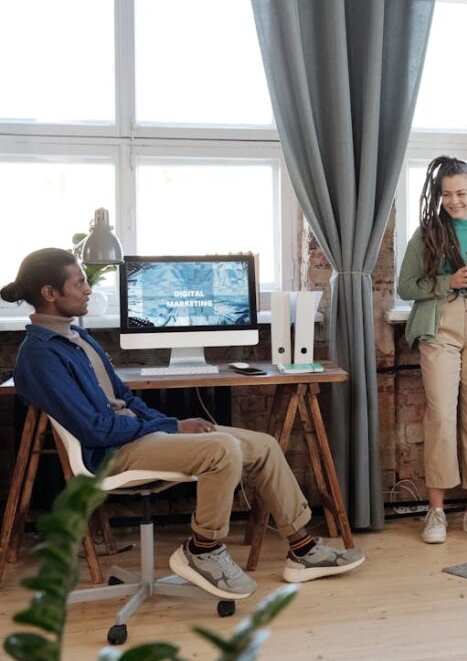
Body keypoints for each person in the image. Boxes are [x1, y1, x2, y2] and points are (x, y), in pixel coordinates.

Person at [1, 248, 365, 601]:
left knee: (263, 446)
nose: (88, 288)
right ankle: (202, 548)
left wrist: (172, 422)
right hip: (111, 451)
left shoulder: (78, 336)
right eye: (79, 282)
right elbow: (96, 429)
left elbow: (126, 399)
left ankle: (302, 549)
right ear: (50, 293)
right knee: (221, 449)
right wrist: (173, 429)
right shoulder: (40, 355)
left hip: (135, 435)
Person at [397, 156, 467, 545]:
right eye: (446, 194)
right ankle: (436, 512)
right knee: (441, 416)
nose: (454, 201)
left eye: (461, 193)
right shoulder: (426, 233)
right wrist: (450, 281)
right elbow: (407, 286)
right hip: (440, 325)